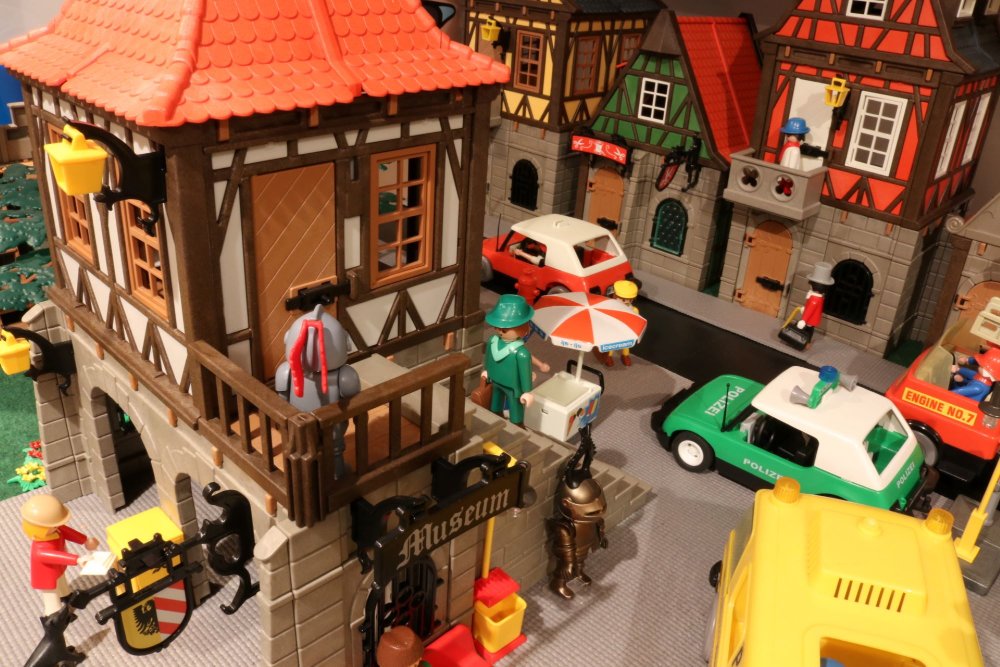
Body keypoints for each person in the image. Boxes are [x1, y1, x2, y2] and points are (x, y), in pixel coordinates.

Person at [21, 494, 99, 616]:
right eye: (54, 525)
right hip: (46, 577)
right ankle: (53, 619)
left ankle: (66, 597)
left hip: (58, 568)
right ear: (40, 529)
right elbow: (54, 555)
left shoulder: (54, 529)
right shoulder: (39, 550)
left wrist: (85, 540)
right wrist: (77, 559)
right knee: (52, 600)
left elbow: (68, 532)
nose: (58, 527)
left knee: (62, 586)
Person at [483, 294, 536, 425]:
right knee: (497, 407)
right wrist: (486, 371)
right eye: (497, 328)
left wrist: (527, 392)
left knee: (513, 410)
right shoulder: (494, 342)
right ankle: (498, 420)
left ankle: (515, 425)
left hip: (510, 387)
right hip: (498, 382)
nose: (499, 331)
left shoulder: (520, 353)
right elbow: (488, 358)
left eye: (504, 329)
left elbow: (524, 374)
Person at [594, 280, 640, 367]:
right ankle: (609, 355)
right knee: (612, 343)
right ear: (614, 296)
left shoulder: (633, 310)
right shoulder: (611, 308)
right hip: (613, 329)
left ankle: (625, 355)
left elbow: (636, 320)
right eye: (623, 299)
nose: (626, 302)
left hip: (626, 330)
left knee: (626, 344)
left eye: (630, 300)